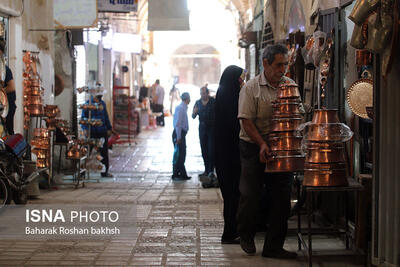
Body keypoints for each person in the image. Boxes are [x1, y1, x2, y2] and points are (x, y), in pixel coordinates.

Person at [237, 44, 298, 258]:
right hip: (253, 145)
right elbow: (246, 121)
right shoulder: (251, 88)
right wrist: (262, 144)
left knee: (282, 197)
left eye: (285, 64)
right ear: (265, 63)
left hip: (281, 147)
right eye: (278, 65)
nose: (283, 69)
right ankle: (245, 235)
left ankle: (273, 246)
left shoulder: (290, 86)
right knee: (251, 194)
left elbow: (296, 117)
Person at [215, 65, 245, 244]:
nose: (242, 81)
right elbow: (235, 126)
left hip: (225, 155)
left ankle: (232, 231)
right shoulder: (230, 98)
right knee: (232, 195)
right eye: (240, 78)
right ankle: (229, 233)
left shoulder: (224, 95)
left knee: (232, 195)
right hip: (229, 156)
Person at [81, 92, 115, 178]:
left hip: (102, 131)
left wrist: (109, 128)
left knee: (103, 152)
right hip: (91, 132)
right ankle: (82, 172)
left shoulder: (102, 104)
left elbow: (106, 117)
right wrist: (85, 129)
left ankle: (104, 172)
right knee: (87, 151)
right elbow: (83, 118)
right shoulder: (87, 104)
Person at [192, 86, 217, 188]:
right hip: (202, 128)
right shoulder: (197, 103)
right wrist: (194, 112)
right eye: (201, 93)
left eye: (204, 93)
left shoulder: (213, 101)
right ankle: (206, 170)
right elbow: (193, 116)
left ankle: (211, 171)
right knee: (204, 150)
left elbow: (218, 114)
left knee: (211, 150)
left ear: (208, 93)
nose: (202, 95)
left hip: (211, 128)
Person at [172, 92, 191, 180]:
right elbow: (178, 124)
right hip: (179, 133)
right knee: (180, 154)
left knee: (180, 154)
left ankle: (178, 173)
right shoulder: (180, 108)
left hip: (181, 133)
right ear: (187, 99)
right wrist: (179, 137)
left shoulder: (183, 108)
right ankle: (179, 173)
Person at [0, 38, 16, 134]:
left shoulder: (5, 70)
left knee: (9, 133)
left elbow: (11, 87)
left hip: (7, 107)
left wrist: (1, 91)